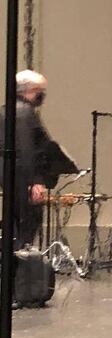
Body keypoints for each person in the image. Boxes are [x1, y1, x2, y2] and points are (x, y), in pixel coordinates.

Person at [0, 70, 53, 250]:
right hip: (22, 177)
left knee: (13, 224)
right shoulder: (24, 114)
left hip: (9, 175)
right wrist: (35, 182)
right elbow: (27, 150)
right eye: (40, 90)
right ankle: (21, 271)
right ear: (30, 90)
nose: (42, 95)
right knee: (27, 222)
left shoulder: (5, 111)